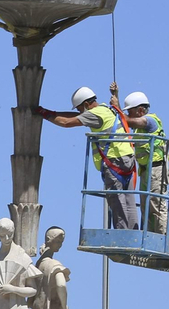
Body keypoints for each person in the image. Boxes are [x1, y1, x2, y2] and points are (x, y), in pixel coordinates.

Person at [37, 85, 138, 230]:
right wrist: (52, 112)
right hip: (127, 159)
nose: (79, 112)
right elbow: (74, 116)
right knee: (129, 200)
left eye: (80, 108)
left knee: (117, 202)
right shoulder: (107, 109)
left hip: (114, 161)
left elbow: (66, 122)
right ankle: (134, 232)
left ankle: (122, 234)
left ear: (86, 104)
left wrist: (43, 114)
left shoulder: (94, 114)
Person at [121, 89, 168, 233]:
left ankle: (161, 237)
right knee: (146, 206)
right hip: (146, 171)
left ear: (141, 110)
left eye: (130, 112)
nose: (128, 115)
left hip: (156, 169)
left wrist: (117, 110)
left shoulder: (151, 121)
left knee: (156, 205)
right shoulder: (139, 128)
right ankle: (149, 236)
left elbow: (127, 121)